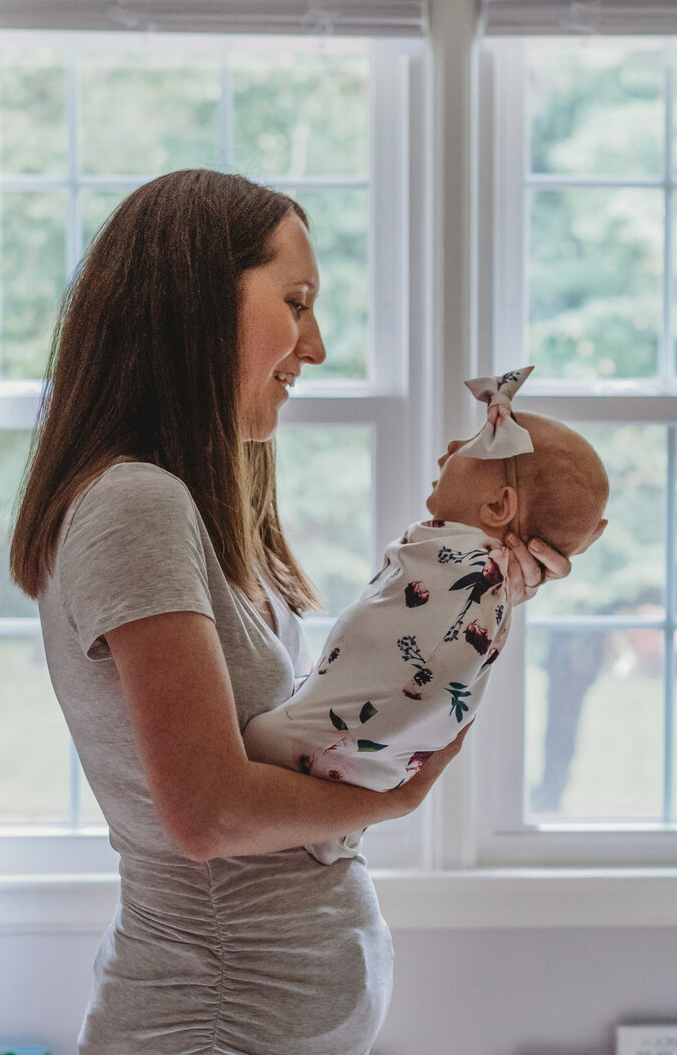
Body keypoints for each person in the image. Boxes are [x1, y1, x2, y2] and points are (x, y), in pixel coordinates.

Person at [8, 169, 570, 1055]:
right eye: (296, 300)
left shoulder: (186, 511)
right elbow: (209, 811)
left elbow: (316, 717)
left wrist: (476, 585)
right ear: (194, 303)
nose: (315, 343)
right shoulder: (136, 506)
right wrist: (396, 799)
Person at [245, 367, 609, 863]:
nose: (454, 444)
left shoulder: (469, 578)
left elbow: (426, 678)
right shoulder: (462, 566)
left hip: (313, 750)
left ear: (499, 506)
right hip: (333, 764)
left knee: (258, 743)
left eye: (478, 441)